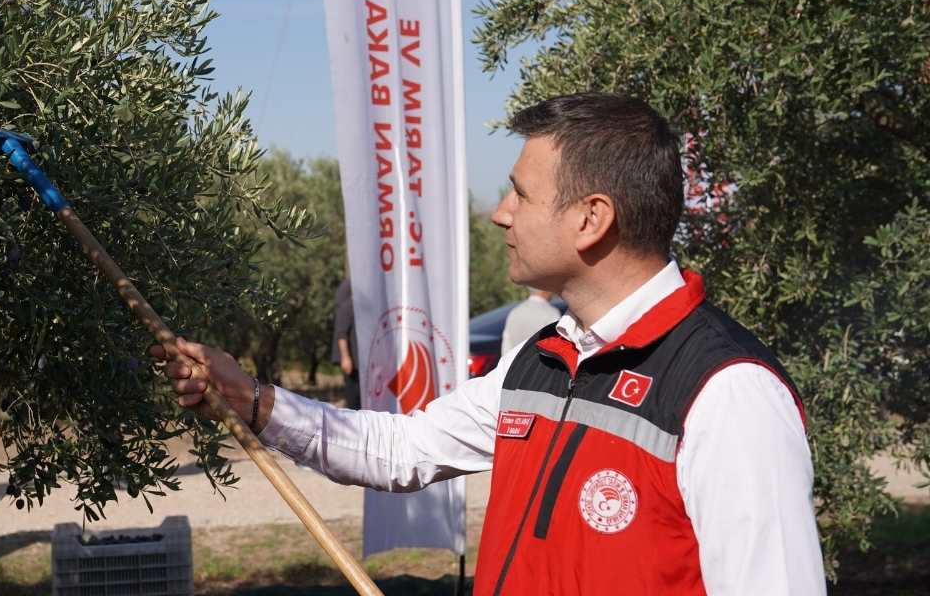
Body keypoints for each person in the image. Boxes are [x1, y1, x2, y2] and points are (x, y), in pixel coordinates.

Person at [153, 93, 826, 595]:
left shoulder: (728, 392)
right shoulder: (542, 359)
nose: (500, 212)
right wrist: (253, 400)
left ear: (592, 218)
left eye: (519, 194)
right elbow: (404, 449)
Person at [331, 277, 362, 409]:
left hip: (362, 362)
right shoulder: (348, 306)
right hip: (352, 362)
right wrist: (345, 357)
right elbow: (341, 334)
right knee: (353, 398)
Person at [500, 287, 560, 356]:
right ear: (545, 290)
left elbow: (506, 347)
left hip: (516, 365)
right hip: (539, 365)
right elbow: (554, 348)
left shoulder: (515, 312)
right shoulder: (551, 313)